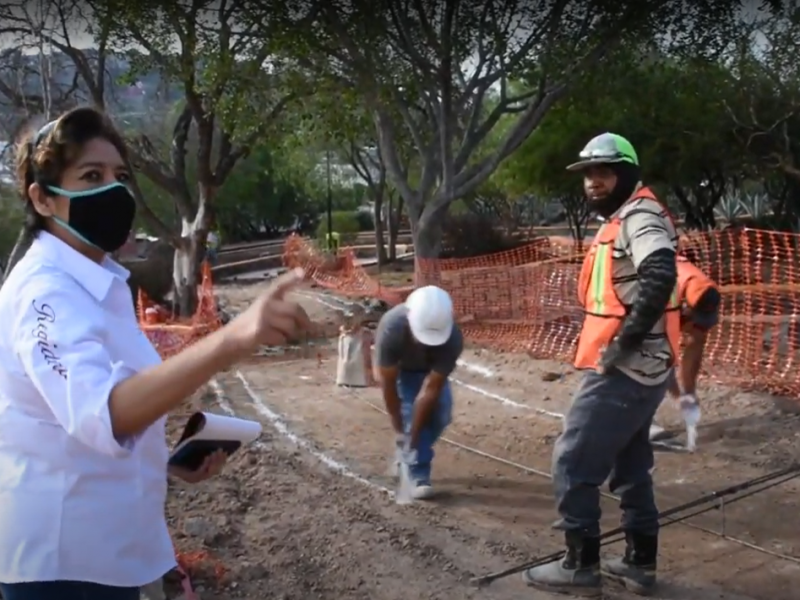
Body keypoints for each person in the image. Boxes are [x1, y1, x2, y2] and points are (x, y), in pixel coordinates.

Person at [0, 106, 309, 600]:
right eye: (91, 176)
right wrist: (230, 339)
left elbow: (70, 427)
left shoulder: (95, 283)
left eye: (120, 176)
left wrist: (165, 462)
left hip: (105, 554)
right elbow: (106, 412)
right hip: (62, 565)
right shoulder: (45, 293)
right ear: (42, 199)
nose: (115, 190)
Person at [523, 133, 680, 596]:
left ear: (626, 173)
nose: (593, 182)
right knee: (631, 463)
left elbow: (660, 273)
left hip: (628, 366)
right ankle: (639, 563)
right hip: (644, 364)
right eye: (589, 174)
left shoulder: (640, 216)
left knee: (572, 459)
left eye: (604, 172)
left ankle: (580, 565)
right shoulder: (623, 217)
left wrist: (624, 344)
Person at [374, 285, 463, 500]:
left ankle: (409, 451)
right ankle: (418, 473)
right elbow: (387, 383)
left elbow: (430, 392)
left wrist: (411, 436)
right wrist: (399, 427)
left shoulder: (453, 339)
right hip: (403, 370)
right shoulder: (391, 327)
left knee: (441, 416)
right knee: (409, 416)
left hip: (428, 370)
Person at [654, 253, 720, 439]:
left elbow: (695, 344)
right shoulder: (662, 289)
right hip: (631, 304)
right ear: (687, 309)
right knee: (643, 364)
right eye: (693, 320)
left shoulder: (706, 290)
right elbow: (660, 352)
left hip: (679, 297)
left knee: (692, 340)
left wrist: (689, 393)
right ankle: (641, 424)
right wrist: (677, 395)